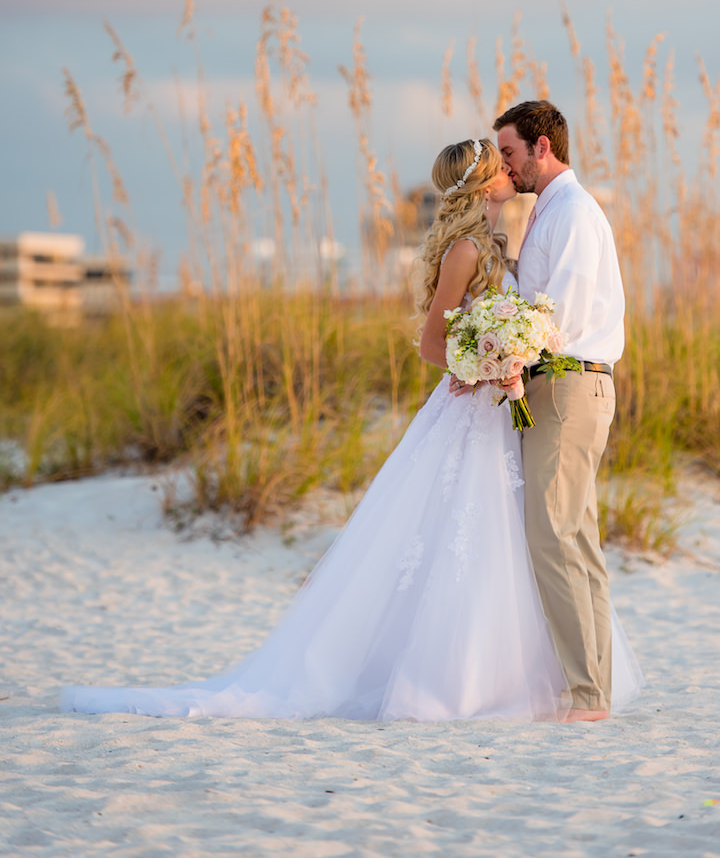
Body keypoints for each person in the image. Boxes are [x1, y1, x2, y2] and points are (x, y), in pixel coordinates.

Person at [61, 138, 642, 723]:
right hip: (474, 409)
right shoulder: (466, 249)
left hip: (499, 410)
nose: (509, 170)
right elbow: (432, 344)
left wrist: (502, 357)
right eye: (500, 165)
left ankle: (551, 679)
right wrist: (482, 364)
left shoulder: (495, 243)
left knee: (515, 538)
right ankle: (459, 681)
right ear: (485, 182)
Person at [492, 101, 626, 723]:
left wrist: (506, 351)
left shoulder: (572, 211)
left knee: (552, 536)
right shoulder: (550, 211)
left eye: (511, 153)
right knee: (576, 541)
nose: (505, 166)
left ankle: (588, 697)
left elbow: (557, 315)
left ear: (542, 146)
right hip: (560, 386)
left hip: (568, 386)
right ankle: (593, 690)